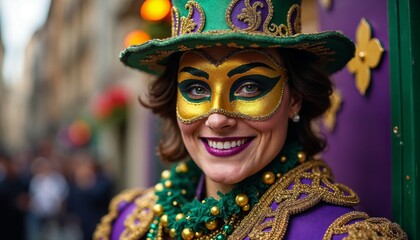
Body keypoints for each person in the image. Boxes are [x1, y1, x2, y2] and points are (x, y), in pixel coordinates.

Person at [94, 0, 407, 239]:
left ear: (294, 98)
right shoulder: (128, 223)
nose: (217, 119)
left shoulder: (335, 233)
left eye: (249, 86)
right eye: (196, 88)